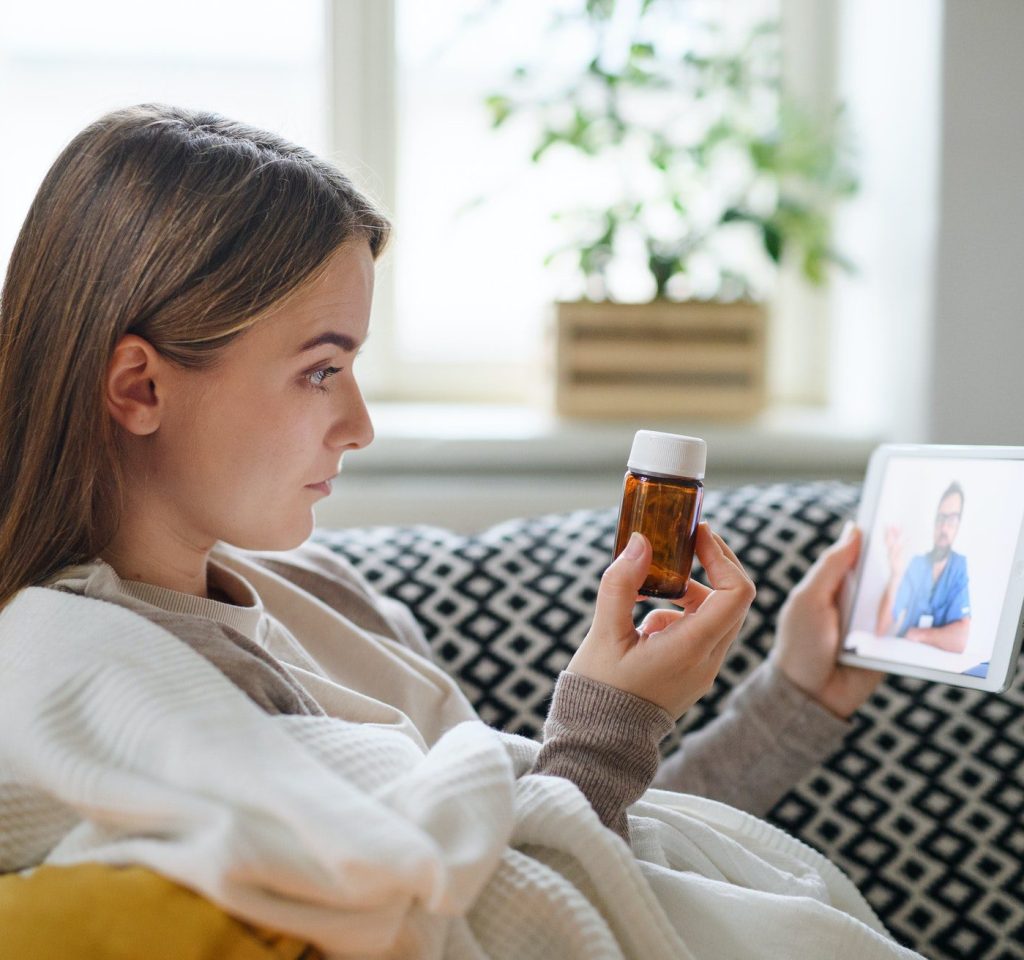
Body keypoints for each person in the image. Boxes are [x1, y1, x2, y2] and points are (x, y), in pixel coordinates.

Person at [0, 104, 908, 958]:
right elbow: (497, 921)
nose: (359, 425)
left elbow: (599, 865)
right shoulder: (96, 681)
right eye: (322, 370)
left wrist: (795, 697)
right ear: (140, 388)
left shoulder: (321, 595)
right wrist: (609, 723)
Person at [874, 482, 972, 653]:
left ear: (959, 524)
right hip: (906, 656)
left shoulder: (958, 567)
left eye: (952, 519)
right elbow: (881, 627)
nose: (944, 527)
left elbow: (960, 639)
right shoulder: (916, 564)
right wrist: (896, 574)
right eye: (940, 518)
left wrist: (918, 634)